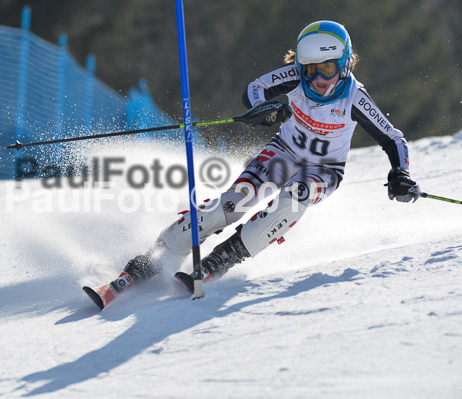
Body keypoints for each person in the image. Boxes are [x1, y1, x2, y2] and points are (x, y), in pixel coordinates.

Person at [110, 20, 421, 294]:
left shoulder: (355, 97)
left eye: (326, 69)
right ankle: (154, 256)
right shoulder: (296, 77)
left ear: (343, 65)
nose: (317, 80)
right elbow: (255, 89)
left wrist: (401, 174)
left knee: (294, 198)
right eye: (309, 70)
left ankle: (223, 257)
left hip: (324, 170)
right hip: (283, 153)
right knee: (236, 200)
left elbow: (392, 137)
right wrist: (263, 109)